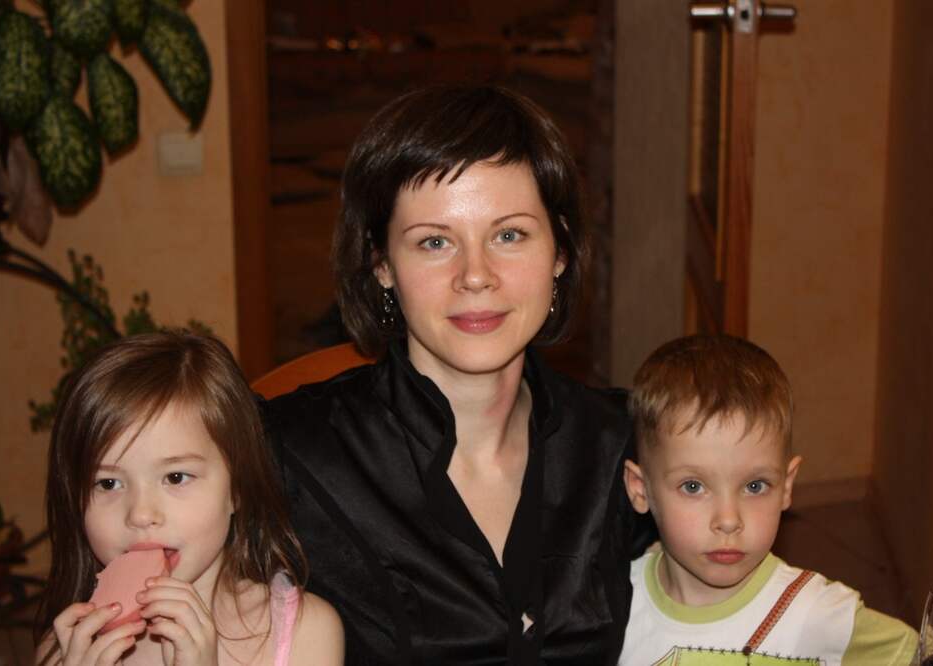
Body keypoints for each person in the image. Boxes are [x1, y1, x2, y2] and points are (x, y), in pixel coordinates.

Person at [264, 84, 654, 664]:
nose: (476, 274)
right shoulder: (286, 456)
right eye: (434, 242)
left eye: (509, 235)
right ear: (381, 264)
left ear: (560, 252)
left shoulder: (627, 446)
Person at [36, 332, 344, 665]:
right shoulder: (64, 650)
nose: (140, 514)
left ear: (237, 488)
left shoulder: (305, 631)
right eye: (108, 483)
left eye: (175, 477)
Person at [618, 335, 918, 665]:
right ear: (640, 489)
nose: (729, 520)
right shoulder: (610, 606)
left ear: (786, 486)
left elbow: (921, 652)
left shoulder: (815, 614)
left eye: (755, 486)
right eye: (693, 486)